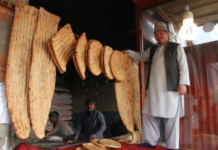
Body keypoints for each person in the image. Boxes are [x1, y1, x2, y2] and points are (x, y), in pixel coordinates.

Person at [123, 22, 190, 150]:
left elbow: (183, 66)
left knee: (171, 120)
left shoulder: (177, 47)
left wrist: (183, 83)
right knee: (149, 114)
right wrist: (129, 52)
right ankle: (149, 141)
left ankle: (172, 146)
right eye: (156, 34)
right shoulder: (152, 49)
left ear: (167, 34)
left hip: (171, 90)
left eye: (161, 34)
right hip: (154, 89)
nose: (158, 36)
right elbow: (141, 57)